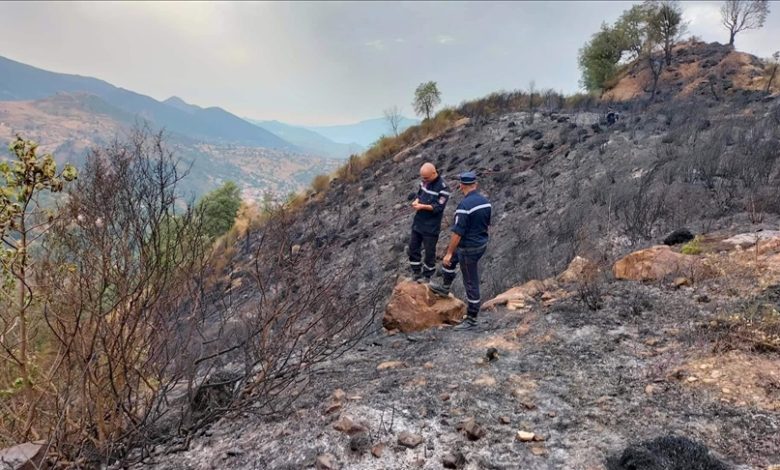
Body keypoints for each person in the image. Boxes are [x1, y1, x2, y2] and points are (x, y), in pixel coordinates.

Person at [429, 171, 491, 331]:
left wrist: (449, 252)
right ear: (475, 184)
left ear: (461, 185)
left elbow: (458, 233)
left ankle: (472, 318)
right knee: (451, 263)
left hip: (468, 248)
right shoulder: (485, 202)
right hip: (480, 244)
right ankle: (445, 287)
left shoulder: (464, 206)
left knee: (470, 281)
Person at [408, 162, 450, 283]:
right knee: (413, 248)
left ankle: (427, 276)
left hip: (431, 226)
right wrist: (416, 202)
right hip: (418, 222)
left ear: (434, 173)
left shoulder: (443, 188)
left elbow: (438, 207)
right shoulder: (424, 182)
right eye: (423, 177)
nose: (424, 180)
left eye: (426, 177)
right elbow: (420, 194)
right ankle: (416, 272)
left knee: (429, 252)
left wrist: (422, 206)